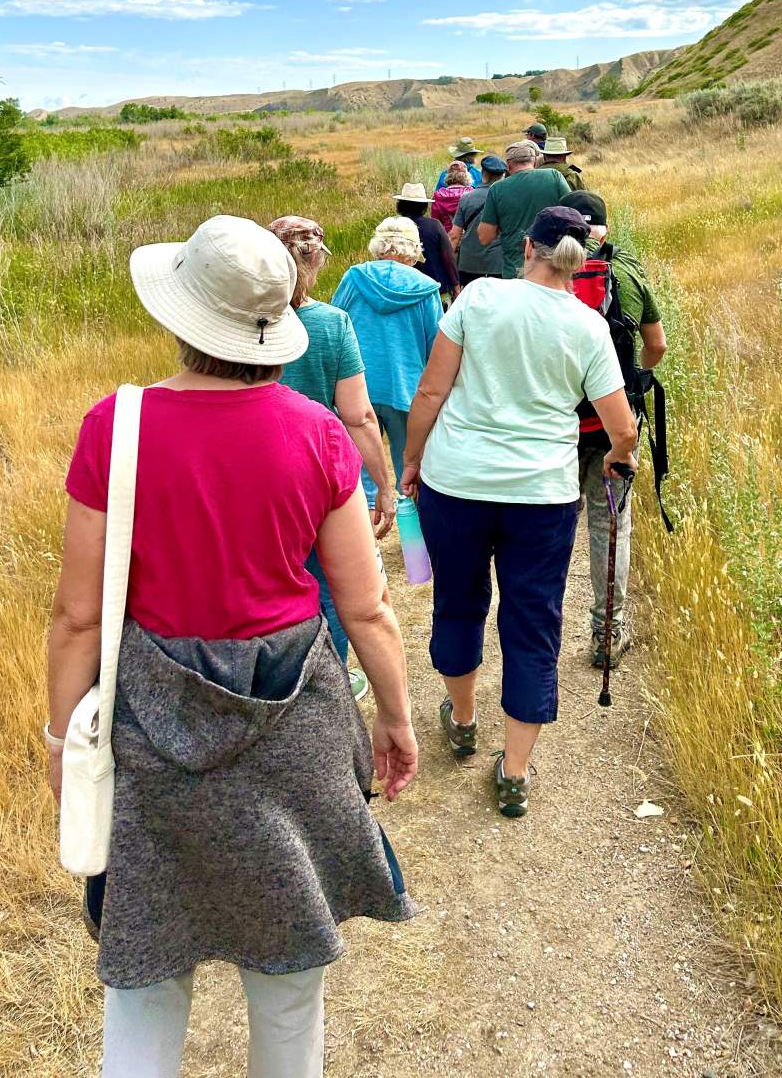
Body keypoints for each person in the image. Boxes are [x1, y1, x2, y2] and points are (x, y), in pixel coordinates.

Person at [47, 215, 417, 1078]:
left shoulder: (117, 427)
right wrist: (395, 720)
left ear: (180, 317)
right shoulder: (318, 433)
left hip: (152, 728)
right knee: (288, 981)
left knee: (144, 974)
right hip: (296, 725)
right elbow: (366, 614)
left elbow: (76, 617)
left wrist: (66, 741)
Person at [401, 207, 638, 819]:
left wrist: (412, 460)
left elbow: (431, 390)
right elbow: (623, 428)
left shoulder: (478, 298)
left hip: (457, 481)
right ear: (580, 259)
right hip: (542, 494)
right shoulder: (586, 325)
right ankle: (514, 771)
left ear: (526, 245)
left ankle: (461, 718)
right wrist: (614, 458)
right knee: (532, 620)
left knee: (458, 598)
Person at [269, 215, 397, 699]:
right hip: (324, 481)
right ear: (316, 261)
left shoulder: (244, 326)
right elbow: (359, 416)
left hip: (261, 481)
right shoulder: (331, 324)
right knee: (336, 588)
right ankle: (333, 680)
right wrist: (382, 486)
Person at [560, 192, 666, 667]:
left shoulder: (548, 274)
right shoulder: (624, 270)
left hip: (558, 423)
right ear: (603, 226)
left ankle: (541, 630)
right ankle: (607, 634)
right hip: (613, 423)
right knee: (610, 524)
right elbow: (656, 345)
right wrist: (637, 381)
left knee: (556, 523)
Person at [332, 217, 443, 507]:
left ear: (378, 246)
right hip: (407, 391)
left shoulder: (354, 278)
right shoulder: (426, 288)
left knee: (362, 472)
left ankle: (365, 544)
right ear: (413, 249)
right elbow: (437, 348)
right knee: (410, 468)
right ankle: (416, 545)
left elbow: (334, 327)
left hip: (357, 390)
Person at [475, 142, 568, 280]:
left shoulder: (497, 189)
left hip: (516, 268)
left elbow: (484, 237)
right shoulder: (554, 176)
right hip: (554, 265)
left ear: (508, 165)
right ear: (535, 161)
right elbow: (572, 213)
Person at [394, 181, 460, 297]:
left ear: (400, 205)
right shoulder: (434, 226)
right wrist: (456, 286)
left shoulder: (394, 227)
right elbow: (448, 258)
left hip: (404, 290)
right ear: (423, 206)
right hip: (435, 288)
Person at [450, 154, 505, 286]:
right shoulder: (507, 198)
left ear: (482, 173)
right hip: (497, 263)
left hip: (469, 263)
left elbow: (454, 236)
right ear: (503, 175)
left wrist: (449, 266)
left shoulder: (466, 198)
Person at [431, 161, 474, 233]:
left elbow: (435, 224)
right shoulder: (472, 193)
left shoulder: (438, 195)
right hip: (468, 238)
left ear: (448, 176)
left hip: (447, 238)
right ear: (467, 176)